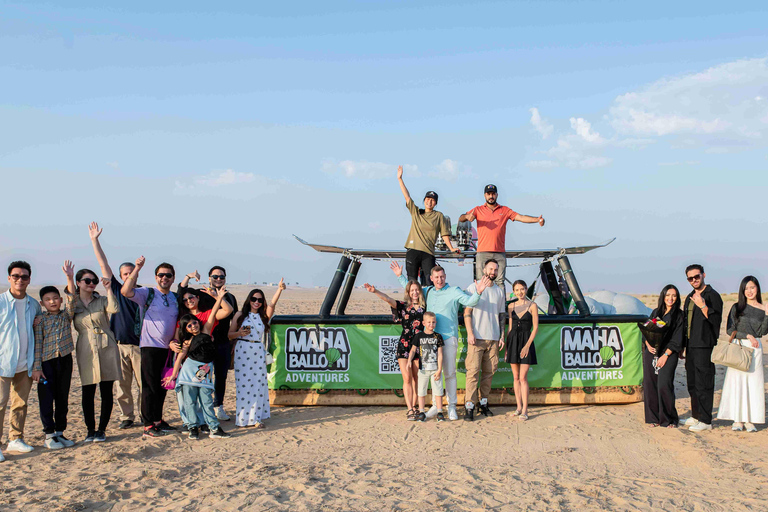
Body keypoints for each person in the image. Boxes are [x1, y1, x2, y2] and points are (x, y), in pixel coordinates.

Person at [394, 262, 491, 420]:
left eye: (442, 277)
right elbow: (412, 289)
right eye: (436, 277)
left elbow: (470, 302)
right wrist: (400, 276)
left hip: (448, 338)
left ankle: (451, 405)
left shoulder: (454, 291)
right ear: (431, 278)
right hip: (429, 341)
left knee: (450, 373)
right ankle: (436, 405)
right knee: (434, 374)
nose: (439, 279)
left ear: (445, 277)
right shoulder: (428, 291)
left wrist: (478, 292)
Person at [88, 222, 142, 430]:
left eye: (131, 273)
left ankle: (146, 415)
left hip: (140, 346)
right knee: (122, 386)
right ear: (120, 277)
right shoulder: (118, 290)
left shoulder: (144, 293)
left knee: (143, 385)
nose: (128, 276)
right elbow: (103, 264)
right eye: (125, 273)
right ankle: (127, 416)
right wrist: (95, 240)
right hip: (118, 345)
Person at [121, 258, 179, 438]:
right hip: (150, 346)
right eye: (161, 275)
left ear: (173, 278)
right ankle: (147, 424)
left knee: (162, 386)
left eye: (168, 275)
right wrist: (136, 269)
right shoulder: (147, 293)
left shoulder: (174, 297)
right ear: (156, 277)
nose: (164, 278)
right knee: (149, 386)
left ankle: (157, 420)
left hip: (168, 349)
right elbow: (125, 291)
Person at [164, 288, 231, 439]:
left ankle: (214, 428)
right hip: (188, 374)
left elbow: (213, 313)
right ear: (185, 329)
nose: (193, 325)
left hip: (205, 372)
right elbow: (180, 358)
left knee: (207, 401)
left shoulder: (206, 330)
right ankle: (192, 428)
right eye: (189, 325)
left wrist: (218, 297)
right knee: (189, 401)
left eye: (195, 323)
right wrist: (173, 375)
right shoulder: (186, 341)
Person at [67, 262, 121, 443]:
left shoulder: (102, 300)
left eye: (94, 281)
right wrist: (69, 278)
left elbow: (114, 309)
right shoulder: (74, 303)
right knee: (87, 390)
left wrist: (109, 290)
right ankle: (90, 429)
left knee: (106, 390)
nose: (91, 283)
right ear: (79, 283)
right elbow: (68, 310)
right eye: (87, 280)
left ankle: (102, 430)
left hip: (107, 346)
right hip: (86, 347)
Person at [177, 268, 238, 421]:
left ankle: (219, 406)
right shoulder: (200, 294)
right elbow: (182, 295)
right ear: (210, 277)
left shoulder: (230, 297)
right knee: (201, 377)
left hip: (223, 342)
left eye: (221, 276)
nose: (218, 279)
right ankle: (199, 411)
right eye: (215, 276)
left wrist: (234, 341)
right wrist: (188, 276)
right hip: (202, 344)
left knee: (221, 376)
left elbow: (233, 317)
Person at [458, 184, 545, 289]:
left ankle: (501, 306)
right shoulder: (478, 209)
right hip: (482, 253)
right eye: (489, 194)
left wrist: (537, 219)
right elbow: (461, 218)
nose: (491, 196)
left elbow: (520, 217)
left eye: (493, 194)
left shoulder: (504, 210)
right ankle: (482, 305)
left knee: (500, 283)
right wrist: (467, 216)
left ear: (497, 195)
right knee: (482, 282)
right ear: (485, 195)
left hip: (499, 252)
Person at [363, 279, 425, 420]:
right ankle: (409, 409)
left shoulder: (425, 308)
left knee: (417, 378)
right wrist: (375, 291)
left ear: (420, 292)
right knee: (407, 378)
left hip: (419, 346)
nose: (415, 292)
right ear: (408, 293)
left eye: (417, 290)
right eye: (412, 290)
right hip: (404, 345)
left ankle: (415, 407)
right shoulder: (403, 306)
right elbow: (388, 299)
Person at [228, 282, 286, 428]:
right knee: (244, 385)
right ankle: (243, 419)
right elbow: (229, 335)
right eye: (254, 299)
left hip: (257, 352)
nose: (256, 302)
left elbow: (272, 305)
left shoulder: (262, 316)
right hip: (243, 350)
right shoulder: (240, 315)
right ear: (249, 299)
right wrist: (239, 333)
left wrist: (279, 289)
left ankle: (256, 418)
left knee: (258, 385)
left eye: (260, 300)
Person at [32, 262, 77, 449]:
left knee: (62, 398)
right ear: (42, 303)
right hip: (46, 363)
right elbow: (38, 344)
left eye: (55, 298)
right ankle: (49, 435)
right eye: (48, 299)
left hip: (65, 360)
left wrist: (69, 277)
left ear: (60, 299)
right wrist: (36, 367)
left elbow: (72, 299)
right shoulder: (41, 320)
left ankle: (60, 432)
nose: (52, 302)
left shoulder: (66, 316)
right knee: (46, 398)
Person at [0, 261, 42, 461]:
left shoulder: (33, 305)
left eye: (24, 277)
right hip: (3, 363)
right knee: (0, 404)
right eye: (16, 276)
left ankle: (15, 438)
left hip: (25, 363)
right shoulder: (0, 302)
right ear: (9, 278)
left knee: (20, 403)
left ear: (29, 280)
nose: (20, 280)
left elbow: (37, 333)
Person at [396, 165, 461, 286]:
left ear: (435, 203)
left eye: (432, 200)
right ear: (424, 200)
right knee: (412, 282)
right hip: (413, 250)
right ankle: (413, 305)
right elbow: (407, 196)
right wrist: (400, 179)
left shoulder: (439, 216)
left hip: (428, 253)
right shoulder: (416, 212)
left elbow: (445, 234)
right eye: (427, 199)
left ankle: (428, 305)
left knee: (429, 282)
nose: (429, 201)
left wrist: (451, 248)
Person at [718, 276, 768, 432]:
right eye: (746, 288)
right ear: (742, 290)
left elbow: (763, 331)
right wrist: (747, 335)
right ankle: (737, 420)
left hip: (755, 349)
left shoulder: (762, 308)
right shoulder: (737, 307)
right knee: (737, 382)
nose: (749, 291)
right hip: (739, 347)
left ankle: (749, 420)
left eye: (752, 287)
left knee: (754, 384)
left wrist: (767, 315)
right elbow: (729, 330)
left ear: (757, 288)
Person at [681, 264, 723, 432]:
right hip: (690, 346)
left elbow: (716, 321)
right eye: (690, 278)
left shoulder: (713, 296)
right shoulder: (690, 297)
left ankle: (706, 421)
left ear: (703, 275)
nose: (694, 280)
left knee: (704, 383)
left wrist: (703, 306)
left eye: (696, 276)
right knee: (692, 382)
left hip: (704, 346)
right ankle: (696, 415)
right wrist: (682, 346)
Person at [463, 260, 506, 421]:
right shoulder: (472, 287)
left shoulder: (499, 291)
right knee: (473, 373)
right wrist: (470, 333)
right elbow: (467, 312)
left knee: (489, 373)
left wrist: (501, 335)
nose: (493, 272)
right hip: (476, 338)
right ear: (484, 269)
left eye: (495, 269)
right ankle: (469, 406)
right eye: (490, 269)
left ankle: (483, 402)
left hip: (493, 339)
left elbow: (502, 315)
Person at [642, 285, 684, 428]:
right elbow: (646, 330)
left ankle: (669, 419)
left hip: (668, 354)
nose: (670, 298)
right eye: (668, 295)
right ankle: (653, 418)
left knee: (664, 385)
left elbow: (678, 339)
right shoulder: (656, 312)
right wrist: (647, 344)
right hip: (651, 353)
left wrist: (666, 355)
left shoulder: (679, 315)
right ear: (663, 296)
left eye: (674, 296)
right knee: (650, 385)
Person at [506, 280, 538, 421]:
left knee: (523, 378)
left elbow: (535, 328)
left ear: (526, 289)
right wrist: (508, 347)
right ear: (514, 291)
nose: (520, 292)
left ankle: (525, 410)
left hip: (526, 341)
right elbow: (510, 328)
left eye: (522, 289)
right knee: (515, 377)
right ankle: (518, 407)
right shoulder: (511, 306)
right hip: (513, 342)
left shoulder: (533, 306)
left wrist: (527, 346)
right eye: (517, 290)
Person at [407, 312, 444, 422]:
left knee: (438, 391)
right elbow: (413, 349)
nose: (431, 324)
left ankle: (440, 411)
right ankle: (422, 411)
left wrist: (439, 369)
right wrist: (409, 360)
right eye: (429, 322)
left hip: (435, 369)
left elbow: (440, 353)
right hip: (423, 369)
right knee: (421, 391)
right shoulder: (419, 336)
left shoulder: (438, 336)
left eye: (433, 322)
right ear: (423, 323)